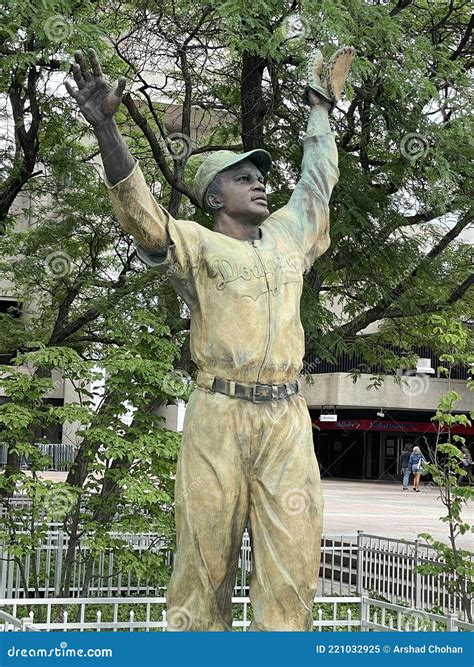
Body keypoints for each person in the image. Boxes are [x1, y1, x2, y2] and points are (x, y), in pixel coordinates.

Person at [65, 46, 355, 631]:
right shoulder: (197, 243)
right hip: (217, 414)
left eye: (262, 176)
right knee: (202, 568)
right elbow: (143, 218)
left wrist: (322, 106)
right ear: (214, 197)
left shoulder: (288, 236)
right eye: (243, 178)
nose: (259, 184)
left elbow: (318, 182)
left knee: (293, 569)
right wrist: (106, 129)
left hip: (285, 417)